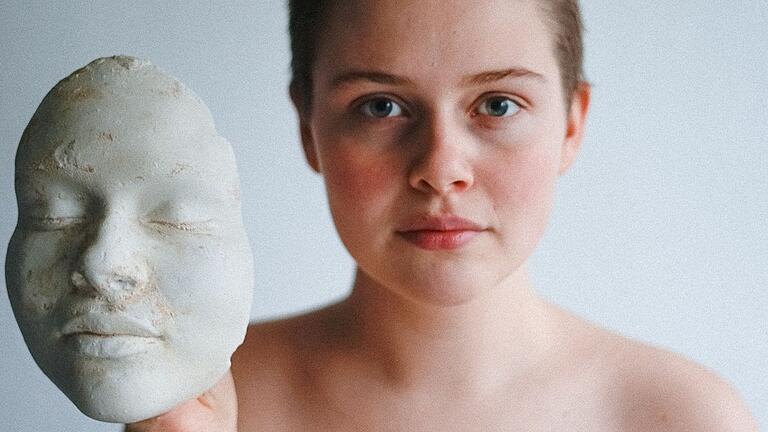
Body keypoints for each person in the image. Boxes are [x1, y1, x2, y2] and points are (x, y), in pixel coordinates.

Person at [127, 0, 759, 430]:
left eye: (499, 104)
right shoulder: (201, 402)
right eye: (380, 106)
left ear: (571, 122)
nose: (441, 167)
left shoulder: (680, 418)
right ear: (308, 127)